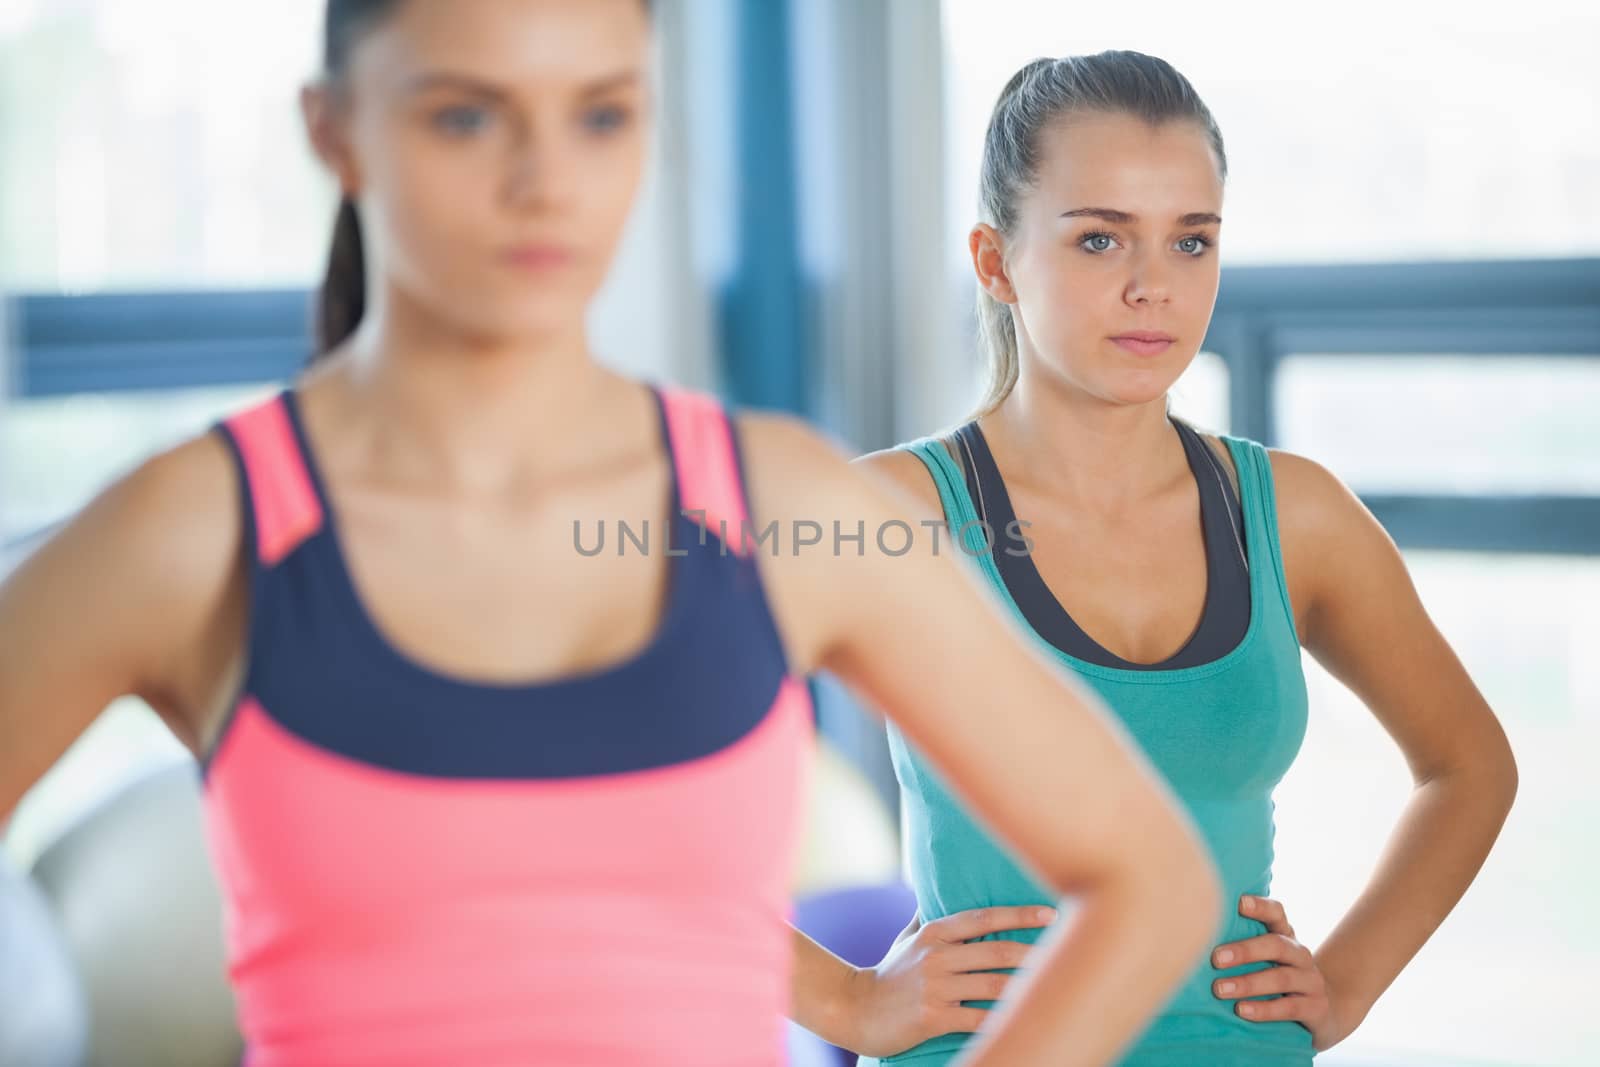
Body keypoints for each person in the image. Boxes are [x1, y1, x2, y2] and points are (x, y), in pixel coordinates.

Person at [0, 7, 1222, 1066]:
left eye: (600, 115)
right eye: (466, 118)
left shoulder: (786, 507)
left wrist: (854, 999)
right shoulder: (195, 532)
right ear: (333, 130)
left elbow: (1149, 879)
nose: (545, 181)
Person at [841, 50, 1520, 1066]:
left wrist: (1346, 980)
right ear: (994, 261)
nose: (1152, 285)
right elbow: (591, 759)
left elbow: (1468, 766)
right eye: (1099, 238)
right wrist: (846, 1003)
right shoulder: (890, 514)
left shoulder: (1295, 515)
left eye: (1190, 240)